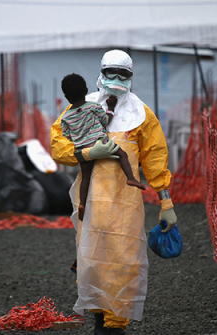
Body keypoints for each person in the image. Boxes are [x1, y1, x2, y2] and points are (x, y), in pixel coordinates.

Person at [50, 50, 177, 334]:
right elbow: (58, 145)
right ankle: (100, 321)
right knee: (92, 261)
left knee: (124, 262)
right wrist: (85, 152)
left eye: (124, 74)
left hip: (125, 205)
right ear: (101, 72)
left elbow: (156, 158)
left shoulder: (141, 114)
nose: (117, 80)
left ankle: (114, 325)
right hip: (90, 204)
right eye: (112, 73)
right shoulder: (81, 108)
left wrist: (165, 201)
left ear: (131, 77)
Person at [59, 73, 146, 221]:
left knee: (85, 178)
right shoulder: (93, 107)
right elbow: (105, 120)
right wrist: (111, 107)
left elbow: (66, 135)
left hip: (83, 150)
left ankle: (82, 204)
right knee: (122, 155)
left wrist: (80, 137)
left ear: (67, 97)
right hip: (101, 143)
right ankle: (131, 178)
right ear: (86, 90)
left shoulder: (65, 117)